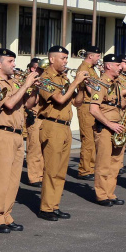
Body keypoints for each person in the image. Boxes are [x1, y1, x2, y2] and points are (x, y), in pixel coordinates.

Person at [0, 49, 38, 233]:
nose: (14, 64)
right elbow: (7, 104)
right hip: (3, 134)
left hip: (17, 135)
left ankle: (7, 215)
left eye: (14, 61)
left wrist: (34, 88)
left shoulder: (15, 82)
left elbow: (28, 104)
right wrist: (25, 85)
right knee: (1, 180)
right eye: (10, 61)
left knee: (13, 180)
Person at [36, 46, 76, 220]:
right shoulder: (45, 78)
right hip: (52, 126)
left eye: (67, 58)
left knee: (60, 171)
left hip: (65, 127)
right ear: (52, 60)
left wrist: (81, 86)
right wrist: (75, 83)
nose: (66, 61)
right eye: (63, 58)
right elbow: (59, 99)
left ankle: (54, 205)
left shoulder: (64, 78)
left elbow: (78, 102)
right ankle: (46, 208)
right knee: (52, 169)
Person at [89, 54, 126, 206]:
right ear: (108, 66)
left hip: (119, 126)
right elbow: (93, 109)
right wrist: (109, 124)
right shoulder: (100, 83)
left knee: (115, 163)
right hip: (106, 127)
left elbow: (116, 104)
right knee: (104, 163)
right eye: (118, 65)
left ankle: (110, 193)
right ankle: (101, 195)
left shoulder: (117, 83)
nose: (121, 67)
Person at [71, 45, 102, 180]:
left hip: (92, 105)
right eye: (98, 56)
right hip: (86, 105)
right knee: (88, 139)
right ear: (91, 56)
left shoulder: (91, 69)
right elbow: (91, 90)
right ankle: (84, 170)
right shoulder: (84, 69)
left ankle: (90, 167)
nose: (99, 59)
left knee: (93, 138)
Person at [23, 58, 44, 186]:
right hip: (35, 116)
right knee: (34, 148)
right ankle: (34, 176)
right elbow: (31, 102)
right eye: (40, 68)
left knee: (44, 149)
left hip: (45, 117)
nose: (43, 71)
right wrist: (36, 87)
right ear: (33, 69)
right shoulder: (29, 82)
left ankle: (42, 174)